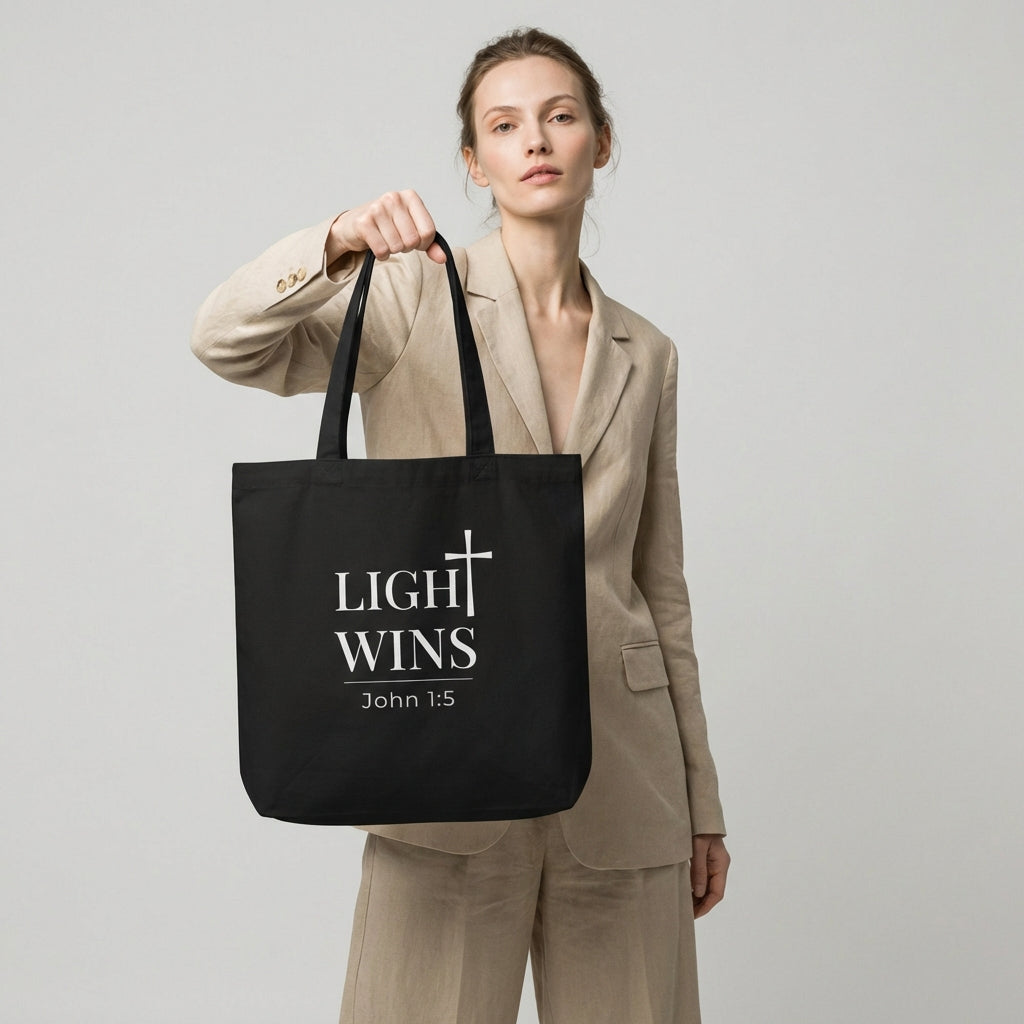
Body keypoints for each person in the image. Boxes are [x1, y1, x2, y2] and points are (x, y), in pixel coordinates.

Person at [191, 26, 730, 1024]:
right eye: (504, 123)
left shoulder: (645, 350)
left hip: (624, 782)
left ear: (599, 143)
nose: (536, 139)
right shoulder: (404, 297)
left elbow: (660, 586)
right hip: (441, 765)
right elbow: (222, 339)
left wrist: (701, 800)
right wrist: (338, 239)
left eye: (561, 116)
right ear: (474, 160)